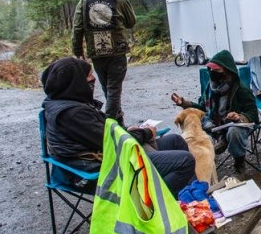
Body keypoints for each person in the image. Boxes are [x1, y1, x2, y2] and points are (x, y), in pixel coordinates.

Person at [42, 57, 195, 196]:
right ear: (75, 81)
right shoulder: (72, 114)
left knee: (176, 140)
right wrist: (146, 133)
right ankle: (155, 207)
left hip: (106, 156)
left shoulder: (68, 102)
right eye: (88, 75)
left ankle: (193, 197)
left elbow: (103, 135)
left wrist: (127, 131)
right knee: (184, 161)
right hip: (99, 170)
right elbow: (114, 142)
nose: (93, 78)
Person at [170, 49, 258, 172]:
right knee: (194, 126)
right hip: (213, 124)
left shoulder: (241, 89)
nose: (212, 72)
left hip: (234, 124)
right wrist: (184, 103)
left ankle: (239, 165)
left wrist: (239, 116)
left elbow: (253, 113)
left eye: (216, 70)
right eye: (210, 69)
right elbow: (202, 109)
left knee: (234, 131)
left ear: (227, 71)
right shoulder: (211, 87)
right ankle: (205, 160)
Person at [72, 0, 137, 126]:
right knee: (114, 89)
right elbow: (131, 22)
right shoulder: (120, 0)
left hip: (97, 53)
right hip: (117, 51)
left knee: (108, 90)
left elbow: (77, 28)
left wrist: (78, 51)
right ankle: (110, 126)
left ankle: (118, 122)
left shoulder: (84, 1)